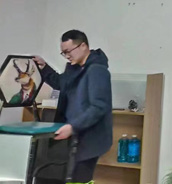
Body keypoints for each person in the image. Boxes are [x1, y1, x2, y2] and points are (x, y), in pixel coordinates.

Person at [33, 30, 112, 183]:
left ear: (83, 46)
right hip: (73, 133)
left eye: (69, 51)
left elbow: (99, 107)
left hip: (89, 137)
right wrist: (44, 67)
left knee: (79, 179)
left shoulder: (97, 70)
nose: (67, 56)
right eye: (63, 53)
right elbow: (61, 84)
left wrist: (73, 127)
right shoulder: (74, 68)